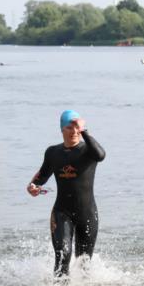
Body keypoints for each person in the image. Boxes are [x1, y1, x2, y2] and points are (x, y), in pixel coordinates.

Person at [27, 110, 106, 277]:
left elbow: (100, 155)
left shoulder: (88, 150)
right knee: (63, 254)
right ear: (62, 129)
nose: (74, 131)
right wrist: (33, 185)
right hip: (62, 212)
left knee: (84, 262)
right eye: (70, 127)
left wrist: (84, 130)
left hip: (87, 213)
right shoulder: (53, 152)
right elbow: (42, 175)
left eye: (77, 127)